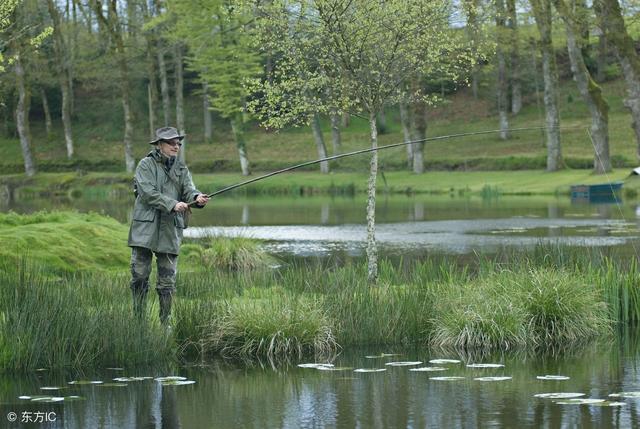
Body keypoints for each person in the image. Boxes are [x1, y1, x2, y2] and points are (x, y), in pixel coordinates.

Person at [128, 126, 209, 324]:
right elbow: (147, 193)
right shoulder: (145, 165)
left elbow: (188, 190)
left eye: (178, 143)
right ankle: (139, 322)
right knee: (139, 278)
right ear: (159, 145)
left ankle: (166, 323)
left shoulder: (181, 169)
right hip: (144, 230)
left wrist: (196, 197)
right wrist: (173, 204)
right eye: (172, 142)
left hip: (170, 230)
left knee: (167, 282)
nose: (176, 146)